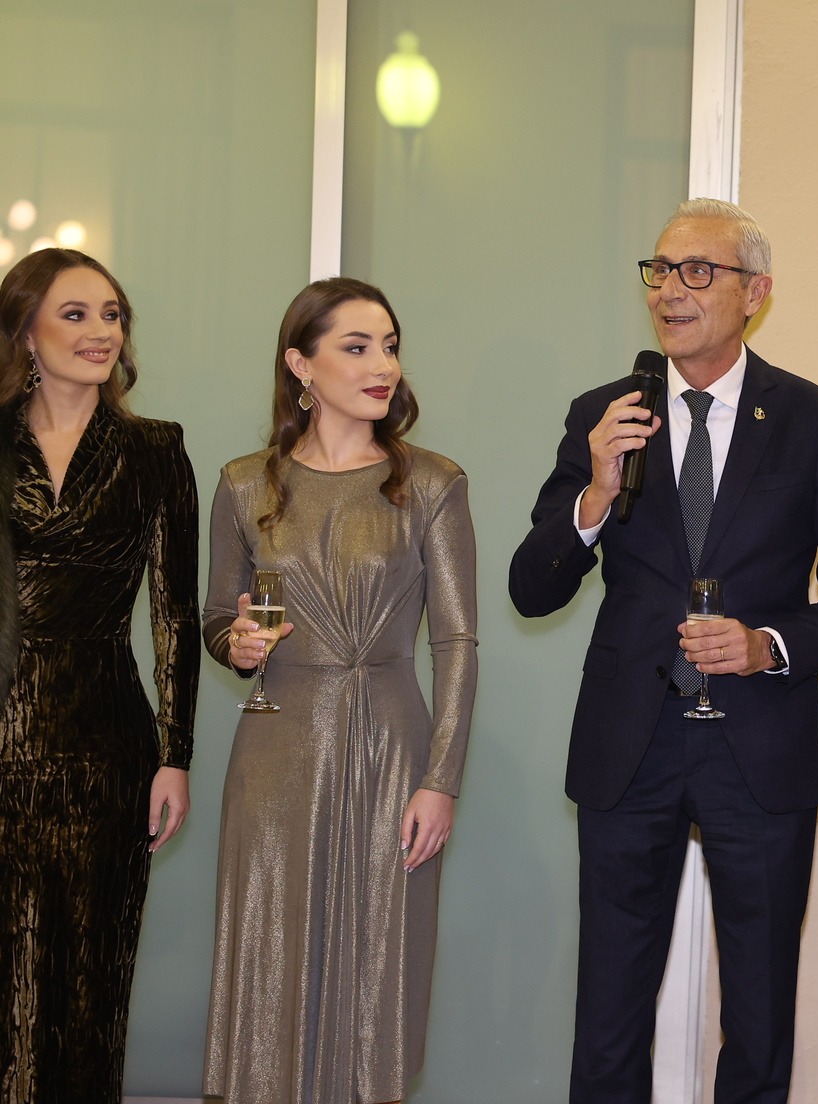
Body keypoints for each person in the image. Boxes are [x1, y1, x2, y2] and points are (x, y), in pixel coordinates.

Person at [509, 198, 818, 1103]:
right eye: (659, 271)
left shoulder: (813, 420)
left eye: (697, 272)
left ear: (755, 293)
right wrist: (595, 492)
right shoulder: (604, 416)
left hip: (758, 748)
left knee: (759, 1019)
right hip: (629, 744)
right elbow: (534, 588)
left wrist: (768, 646)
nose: (669, 292)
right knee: (609, 1015)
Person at [201, 277, 478, 1104]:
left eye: (389, 346)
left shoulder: (431, 482)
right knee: (270, 956)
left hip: (392, 748)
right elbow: (216, 618)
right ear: (301, 365)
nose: (382, 364)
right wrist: (236, 644)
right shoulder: (244, 484)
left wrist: (441, 778)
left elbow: (456, 642)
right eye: (356, 347)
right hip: (274, 750)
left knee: (379, 970)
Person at [0, 248, 199, 1101]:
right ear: (26, 332)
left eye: (112, 315)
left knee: (91, 987)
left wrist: (175, 754)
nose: (100, 332)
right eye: (75, 314)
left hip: (107, 745)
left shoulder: (155, 449)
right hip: (1, 730)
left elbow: (174, 615)